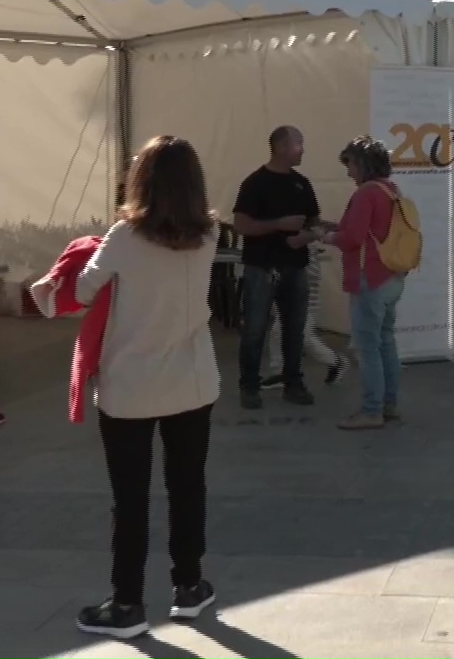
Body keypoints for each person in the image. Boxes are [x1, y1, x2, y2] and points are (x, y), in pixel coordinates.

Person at [73, 137, 220, 640]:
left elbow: (82, 289)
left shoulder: (122, 237)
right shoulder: (209, 234)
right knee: (187, 486)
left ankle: (128, 602)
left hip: (130, 386)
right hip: (192, 379)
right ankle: (189, 586)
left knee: (130, 498)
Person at [231, 126, 324, 411]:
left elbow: (313, 221)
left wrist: (307, 236)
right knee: (255, 328)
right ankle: (249, 385)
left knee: (294, 328)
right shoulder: (255, 183)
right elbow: (241, 225)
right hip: (262, 268)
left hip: (295, 267)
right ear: (281, 146)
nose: (303, 149)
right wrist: (278, 225)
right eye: (299, 143)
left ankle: (293, 382)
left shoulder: (302, 183)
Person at [325, 137, 407, 430]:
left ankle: (372, 410)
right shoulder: (390, 190)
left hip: (369, 278)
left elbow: (353, 238)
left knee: (367, 346)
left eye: (350, 164)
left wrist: (325, 237)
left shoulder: (365, 194)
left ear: (361, 163)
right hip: (391, 276)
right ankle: (388, 405)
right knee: (385, 342)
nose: (348, 172)